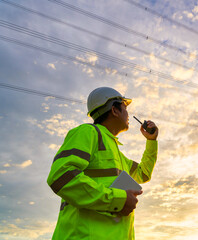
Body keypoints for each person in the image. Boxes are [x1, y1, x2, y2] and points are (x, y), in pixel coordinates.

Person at [47, 87, 158, 239]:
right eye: (125, 108)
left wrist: (151, 142)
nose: (127, 114)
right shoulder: (88, 132)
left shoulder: (117, 154)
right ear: (114, 110)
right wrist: (117, 199)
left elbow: (143, 173)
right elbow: (61, 176)